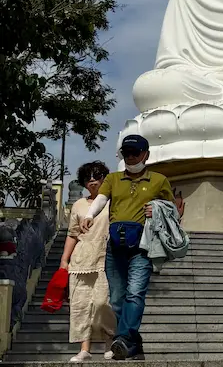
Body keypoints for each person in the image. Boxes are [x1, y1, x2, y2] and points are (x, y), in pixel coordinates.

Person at [80, 135, 175, 361]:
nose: (131, 157)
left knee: (135, 293)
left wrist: (158, 209)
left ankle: (122, 338)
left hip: (142, 246)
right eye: (127, 153)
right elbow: (101, 199)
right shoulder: (113, 179)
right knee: (116, 298)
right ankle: (134, 341)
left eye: (135, 152)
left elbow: (173, 210)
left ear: (146, 154)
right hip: (115, 246)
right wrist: (89, 215)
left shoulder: (159, 180)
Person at [61, 161, 116, 363]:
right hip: (80, 259)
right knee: (80, 304)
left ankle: (110, 342)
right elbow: (72, 234)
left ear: (104, 178)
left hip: (105, 257)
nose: (92, 179)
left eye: (97, 175)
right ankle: (85, 348)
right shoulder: (78, 205)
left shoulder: (113, 202)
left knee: (103, 303)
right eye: (88, 177)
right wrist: (64, 260)